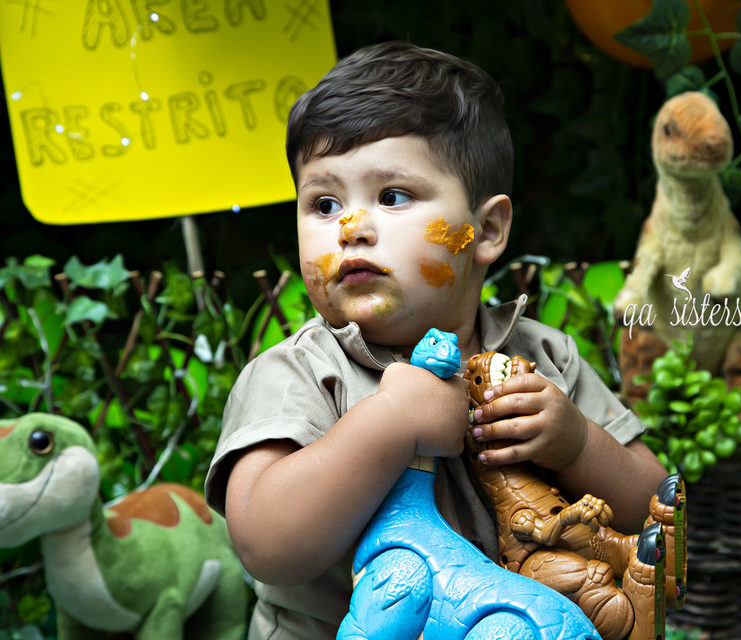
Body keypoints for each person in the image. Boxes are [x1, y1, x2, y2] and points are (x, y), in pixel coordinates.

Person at [204, 40, 666, 639]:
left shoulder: (541, 359)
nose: (352, 228)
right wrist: (392, 421)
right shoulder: (298, 374)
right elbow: (267, 547)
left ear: (487, 229)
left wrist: (577, 446)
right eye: (324, 203)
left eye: (392, 196)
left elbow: (654, 515)